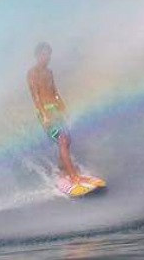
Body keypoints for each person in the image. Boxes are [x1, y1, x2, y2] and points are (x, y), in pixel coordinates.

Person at [27, 42, 83, 184]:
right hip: (45, 112)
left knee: (67, 140)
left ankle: (63, 166)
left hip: (56, 111)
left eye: (49, 55)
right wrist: (44, 115)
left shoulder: (49, 72)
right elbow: (36, 96)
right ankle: (72, 176)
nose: (47, 58)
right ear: (37, 56)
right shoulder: (32, 73)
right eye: (44, 55)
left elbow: (55, 92)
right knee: (62, 141)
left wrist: (63, 108)